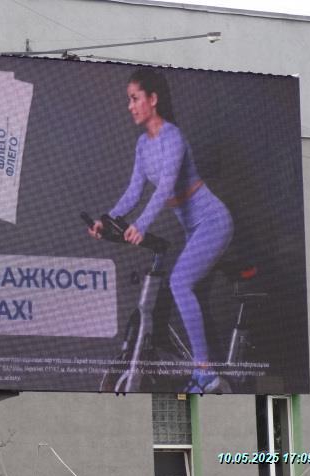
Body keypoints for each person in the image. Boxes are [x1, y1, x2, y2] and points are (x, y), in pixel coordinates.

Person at [88, 68, 234, 393]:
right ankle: (204, 367)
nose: (130, 106)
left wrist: (141, 224)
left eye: (134, 98)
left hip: (213, 221)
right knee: (181, 292)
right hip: (192, 228)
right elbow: (133, 192)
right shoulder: (143, 145)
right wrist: (106, 220)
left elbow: (165, 187)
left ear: (152, 99)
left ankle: (205, 373)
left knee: (180, 282)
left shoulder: (173, 138)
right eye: (129, 99)